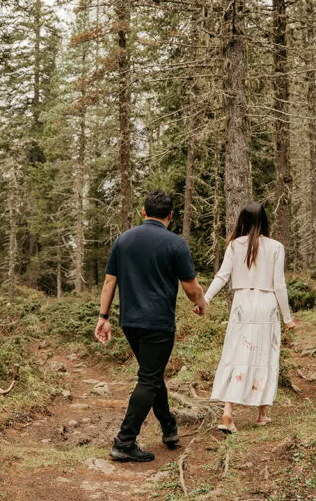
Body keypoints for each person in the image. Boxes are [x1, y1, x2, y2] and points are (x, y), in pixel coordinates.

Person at [94, 190, 209, 463]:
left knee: (151, 374)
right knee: (149, 378)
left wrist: (103, 317)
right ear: (171, 216)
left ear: (143, 212)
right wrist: (202, 302)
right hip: (158, 323)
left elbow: (110, 282)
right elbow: (190, 288)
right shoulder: (176, 244)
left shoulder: (123, 240)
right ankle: (124, 442)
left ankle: (169, 428)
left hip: (130, 322)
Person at [202, 201, 294, 431]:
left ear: (242, 220)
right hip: (266, 304)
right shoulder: (275, 247)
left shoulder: (234, 245)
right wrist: (287, 318)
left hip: (242, 304)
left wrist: (206, 299)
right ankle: (262, 414)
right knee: (266, 355)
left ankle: (228, 410)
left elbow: (222, 276)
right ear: (264, 221)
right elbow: (279, 285)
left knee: (236, 353)